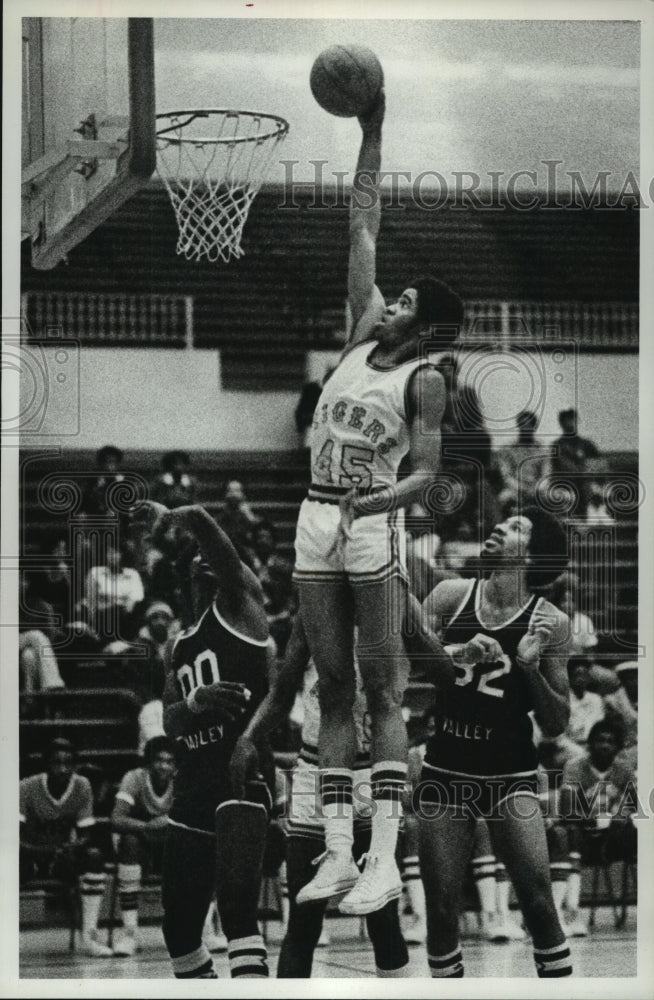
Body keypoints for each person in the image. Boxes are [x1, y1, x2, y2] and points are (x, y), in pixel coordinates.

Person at [292, 88, 463, 915]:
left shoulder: (424, 379)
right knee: (331, 689)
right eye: (393, 297)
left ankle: (387, 859)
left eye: (406, 304)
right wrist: (374, 131)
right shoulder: (362, 330)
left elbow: (426, 479)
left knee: (383, 693)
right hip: (314, 513)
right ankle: (335, 853)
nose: (391, 299)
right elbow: (363, 224)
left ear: (427, 330)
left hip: (371, 524)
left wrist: (373, 503)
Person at [230, 599, 454, 977]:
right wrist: (249, 736)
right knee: (302, 920)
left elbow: (443, 669)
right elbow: (283, 692)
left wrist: (454, 648)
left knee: (383, 918)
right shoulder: (314, 609)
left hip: (372, 773)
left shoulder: (393, 601)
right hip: (315, 771)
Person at [417, 506, 573, 978]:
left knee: (539, 904)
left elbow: (558, 722)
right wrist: (455, 651)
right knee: (441, 910)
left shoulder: (552, 622)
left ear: (532, 555)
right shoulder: (450, 594)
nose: (500, 527)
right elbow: (406, 656)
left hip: (510, 774)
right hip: (446, 768)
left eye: (517, 526)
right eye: (503, 522)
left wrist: (530, 670)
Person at [131, 499, 273, 980]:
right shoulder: (179, 643)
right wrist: (198, 702)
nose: (208, 559)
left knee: (237, 910)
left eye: (214, 555)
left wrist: (179, 515)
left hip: (240, 769)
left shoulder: (241, 604)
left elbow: (222, 550)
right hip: (195, 779)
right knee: (179, 927)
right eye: (198, 558)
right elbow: (170, 722)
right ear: (188, 576)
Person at [20, 738, 111, 957]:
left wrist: (72, 847)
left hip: (59, 858)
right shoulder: (26, 787)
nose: (62, 769)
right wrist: (44, 851)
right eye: (56, 763)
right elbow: (13, 836)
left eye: (68, 763)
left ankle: (89, 936)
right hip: (29, 855)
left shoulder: (82, 785)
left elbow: (86, 834)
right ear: (46, 765)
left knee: (94, 856)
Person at [548, 718, 637, 936]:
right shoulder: (575, 767)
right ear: (589, 743)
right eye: (599, 740)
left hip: (611, 839)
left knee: (637, 832)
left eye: (610, 741)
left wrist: (615, 820)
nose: (604, 745)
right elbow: (568, 812)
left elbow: (632, 808)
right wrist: (605, 819)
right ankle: (569, 913)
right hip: (581, 837)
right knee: (569, 833)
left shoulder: (624, 770)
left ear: (619, 747)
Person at [111, 735, 176, 956]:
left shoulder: (183, 780)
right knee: (129, 842)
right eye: (159, 760)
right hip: (141, 849)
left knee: (202, 847)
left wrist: (166, 824)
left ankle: (205, 931)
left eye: (169, 761)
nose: (164, 766)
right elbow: (117, 819)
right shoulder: (134, 778)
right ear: (149, 762)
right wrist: (149, 826)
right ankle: (130, 933)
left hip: (169, 849)